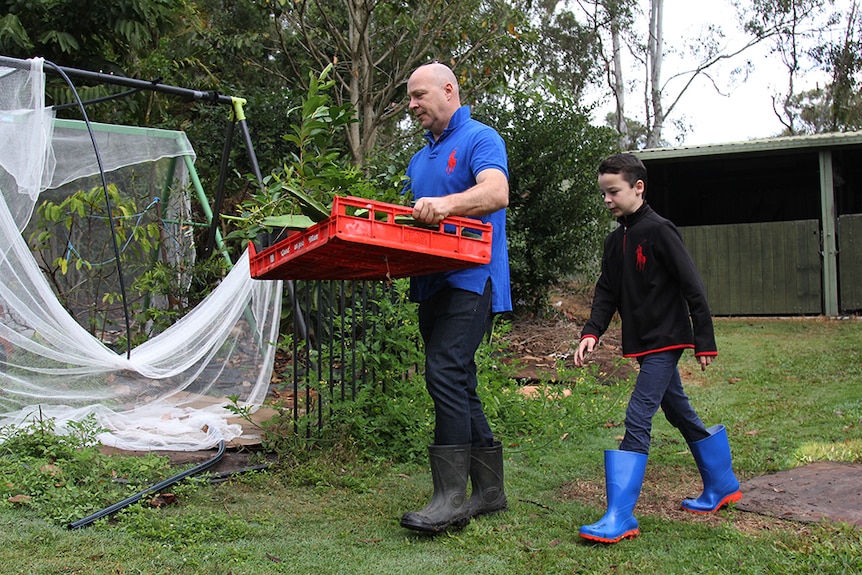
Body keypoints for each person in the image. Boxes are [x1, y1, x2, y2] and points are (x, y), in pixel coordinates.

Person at [573, 153, 741, 544]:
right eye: (603, 193)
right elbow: (606, 292)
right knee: (678, 410)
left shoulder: (661, 230)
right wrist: (591, 331)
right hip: (644, 341)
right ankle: (722, 485)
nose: (608, 200)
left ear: (638, 187)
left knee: (638, 414)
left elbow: (692, 286)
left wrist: (705, 339)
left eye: (614, 192)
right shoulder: (614, 242)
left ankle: (620, 516)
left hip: (669, 338)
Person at [398, 62, 511, 533]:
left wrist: (446, 204)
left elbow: (496, 191)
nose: (411, 106)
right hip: (431, 283)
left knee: (443, 368)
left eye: (419, 95)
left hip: (472, 278)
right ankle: (489, 492)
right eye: (409, 98)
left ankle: (450, 497)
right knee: (459, 378)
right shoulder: (419, 159)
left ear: (449, 91)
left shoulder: (481, 138)